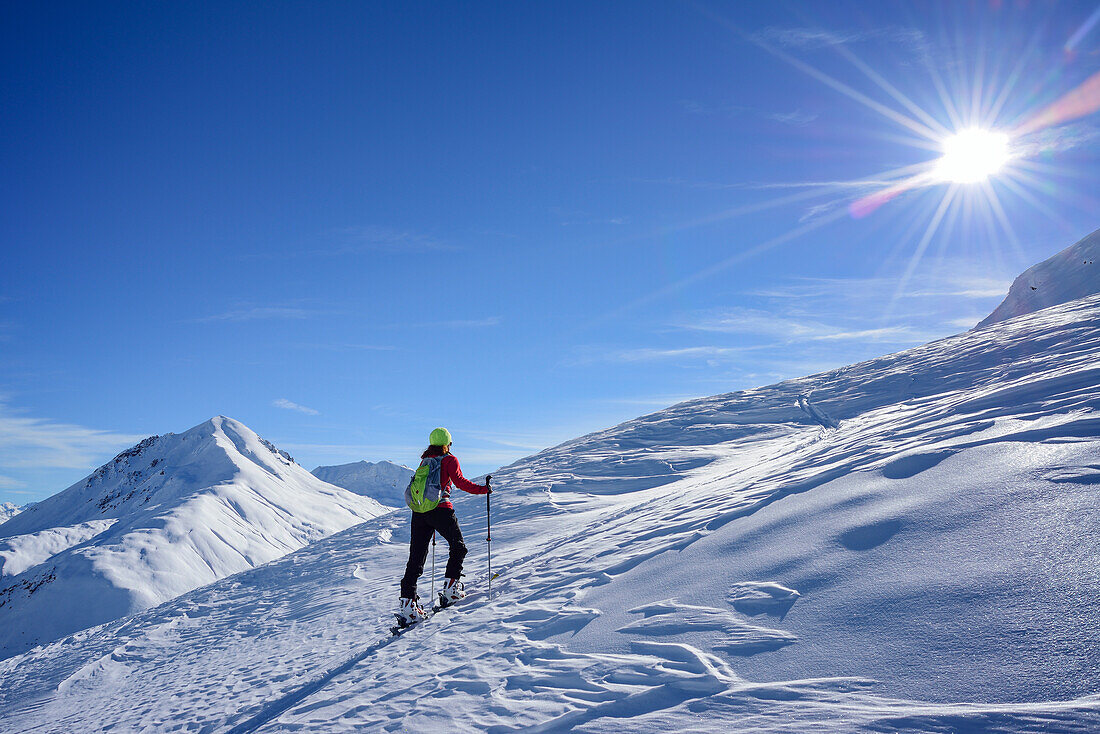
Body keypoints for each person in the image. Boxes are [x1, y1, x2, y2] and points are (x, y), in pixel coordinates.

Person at [398, 427, 490, 623]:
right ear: (447, 443)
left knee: (416, 559)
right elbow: (461, 482)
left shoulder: (425, 461)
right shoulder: (449, 459)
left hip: (419, 513)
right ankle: (451, 591)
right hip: (440, 510)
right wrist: (484, 489)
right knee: (458, 547)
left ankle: (408, 606)